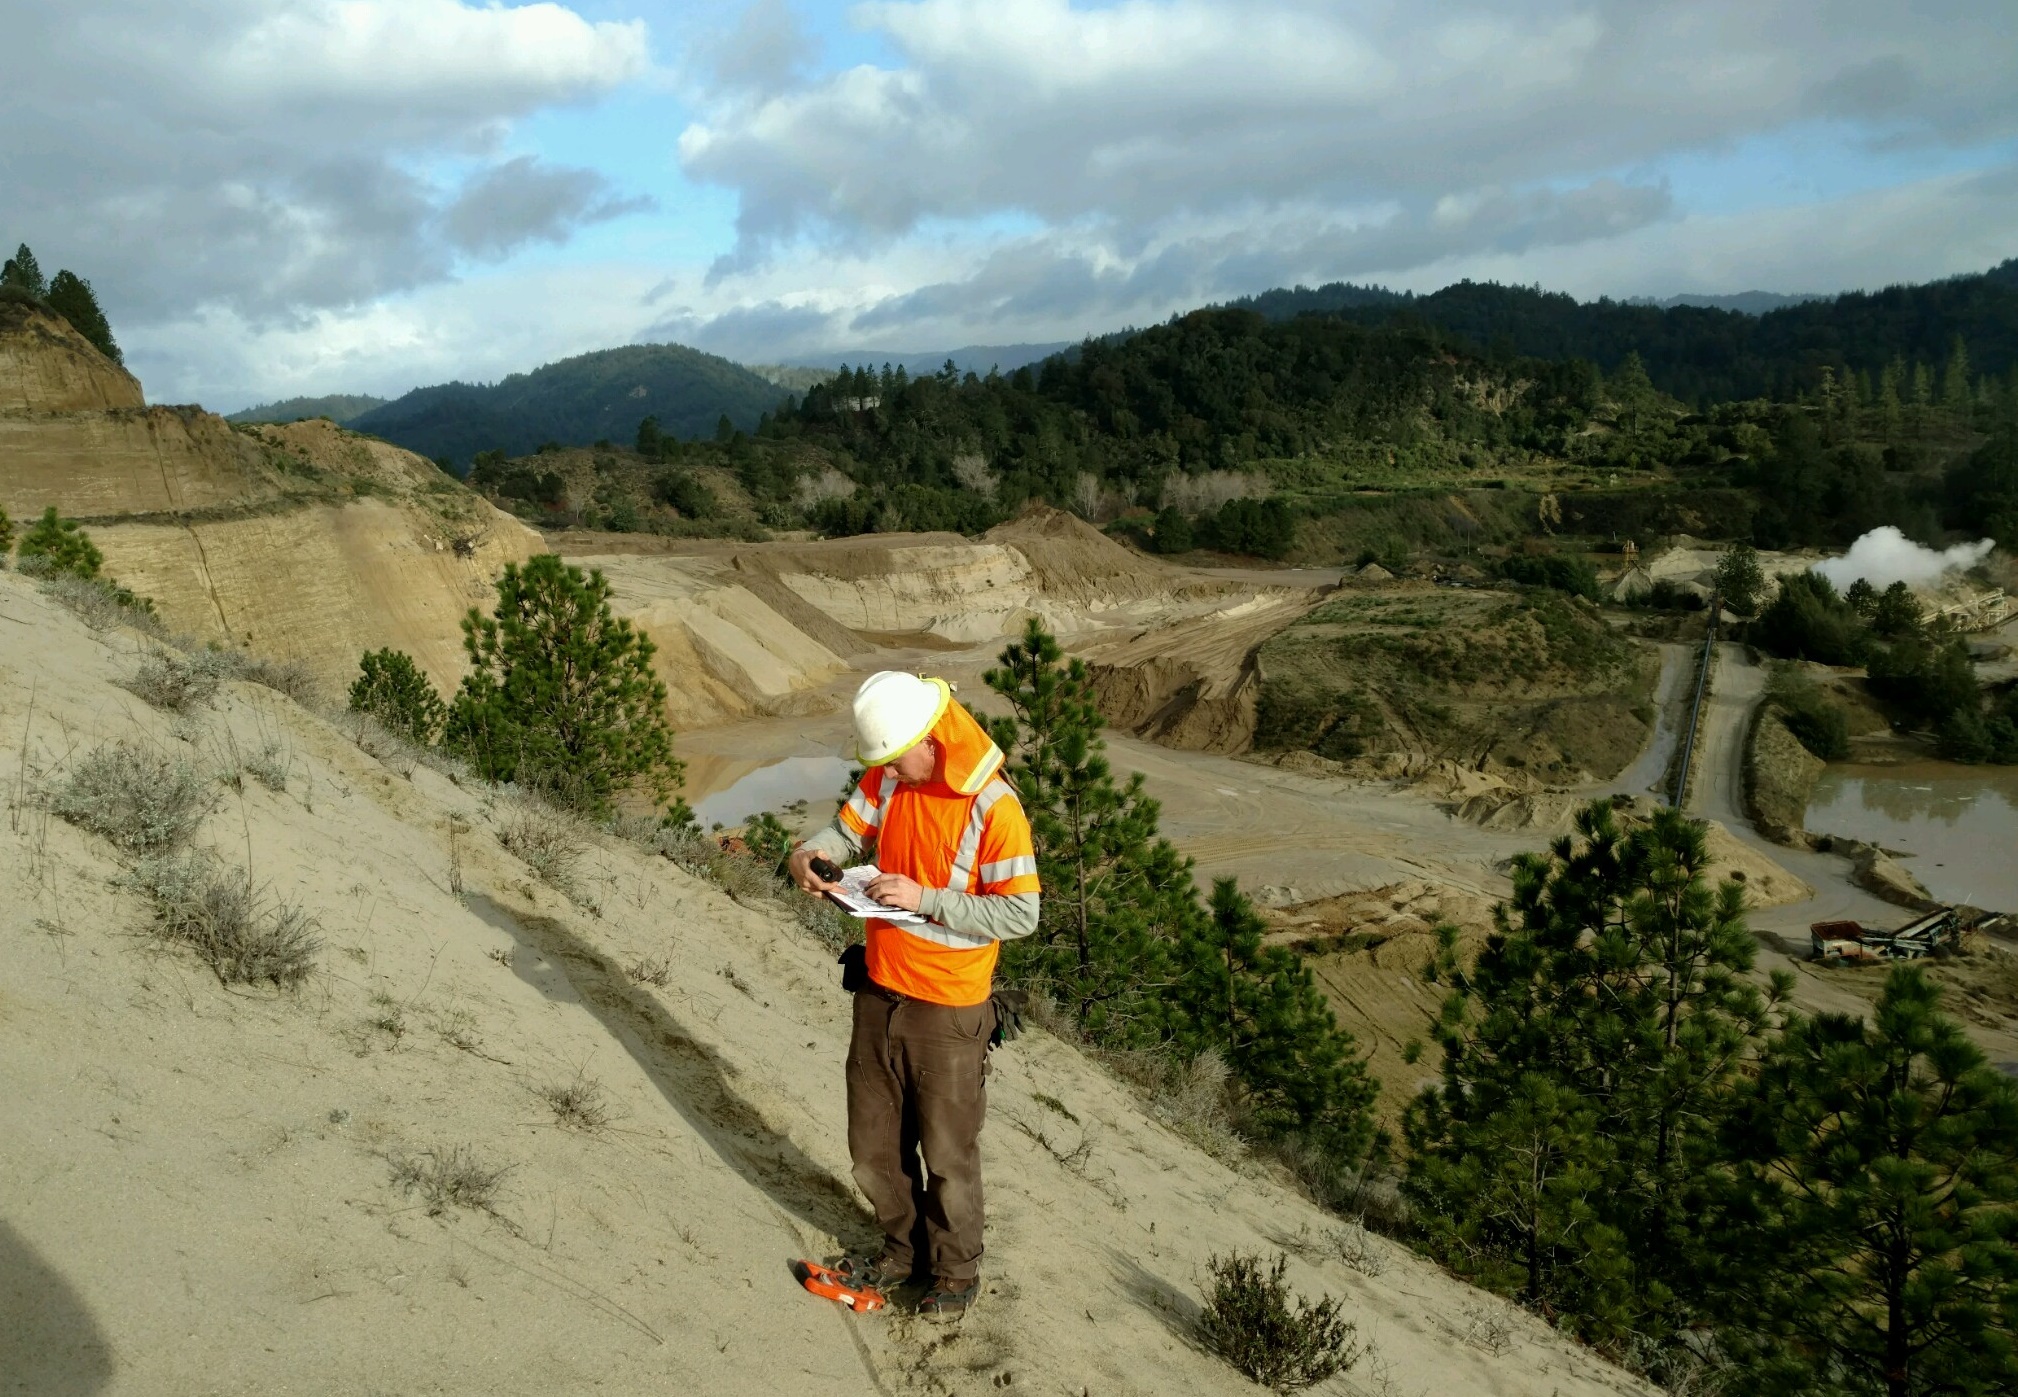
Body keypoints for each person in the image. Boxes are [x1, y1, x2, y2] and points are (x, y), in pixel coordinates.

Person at [789, 671, 1040, 1319]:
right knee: (873, 1143)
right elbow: (844, 834)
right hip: (879, 990)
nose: (887, 770)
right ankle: (902, 1251)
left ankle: (955, 1273)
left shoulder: (994, 805)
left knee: (949, 1153)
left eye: (896, 755)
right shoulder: (890, 775)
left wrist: (924, 898)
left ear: (932, 737)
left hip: (949, 1012)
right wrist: (811, 856)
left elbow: (1020, 914)